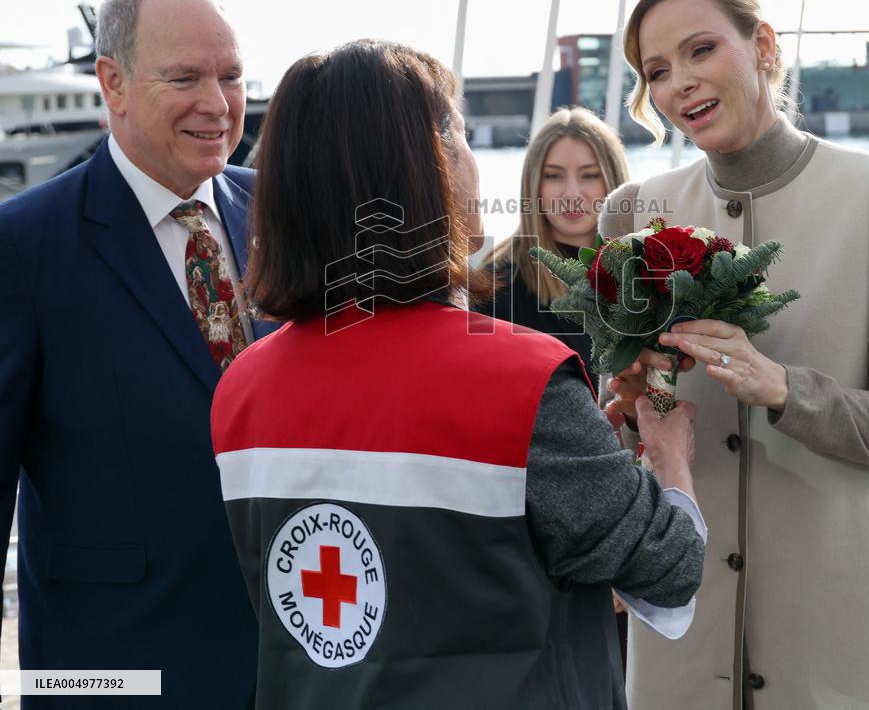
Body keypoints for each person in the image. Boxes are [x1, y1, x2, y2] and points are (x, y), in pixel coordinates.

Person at [210, 40, 706, 710]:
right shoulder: (522, 382)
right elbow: (668, 567)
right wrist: (670, 454)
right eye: (463, 135)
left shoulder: (240, 388)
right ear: (433, 167)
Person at [601, 0, 869, 709]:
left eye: (700, 49)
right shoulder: (631, 214)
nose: (680, 83)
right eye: (656, 71)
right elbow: (623, 414)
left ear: (762, 44)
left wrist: (782, 388)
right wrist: (622, 404)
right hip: (681, 633)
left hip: (842, 630)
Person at [0, 0, 277, 708]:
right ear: (112, 82)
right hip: (110, 679)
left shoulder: (282, 216)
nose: (218, 104)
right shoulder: (24, 247)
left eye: (231, 75)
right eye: (185, 77)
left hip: (290, 669)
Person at [475, 106, 629, 391]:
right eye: (554, 176)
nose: (571, 194)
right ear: (533, 186)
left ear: (614, 181)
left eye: (589, 175)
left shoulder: (645, 272)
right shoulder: (496, 287)